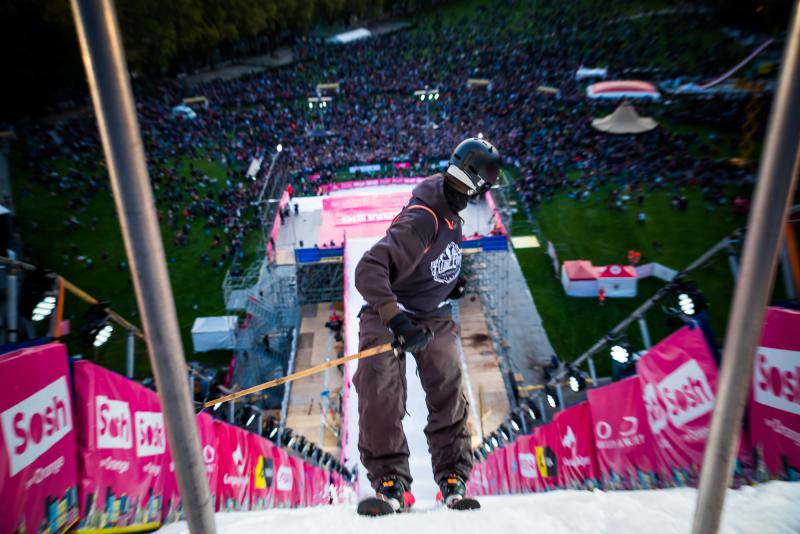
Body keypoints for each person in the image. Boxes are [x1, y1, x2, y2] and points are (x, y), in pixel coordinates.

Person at [353, 138, 500, 513]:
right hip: (391, 311)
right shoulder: (424, 217)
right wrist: (396, 319)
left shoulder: (451, 207)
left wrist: (452, 284)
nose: (488, 187)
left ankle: (452, 474)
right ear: (470, 178)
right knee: (380, 386)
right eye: (486, 178)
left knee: (448, 381)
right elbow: (368, 269)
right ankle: (390, 480)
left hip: (432, 311)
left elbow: (435, 259)